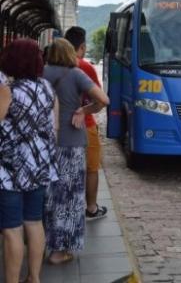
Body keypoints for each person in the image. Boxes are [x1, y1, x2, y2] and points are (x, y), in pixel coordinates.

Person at [43, 38, 109, 265]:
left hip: (45, 143)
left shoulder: (42, 73)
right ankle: (60, 251)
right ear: (71, 53)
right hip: (71, 143)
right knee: (69, 198)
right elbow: (103, 99)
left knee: (49, 196)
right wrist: (84, 109)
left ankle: (43, 242)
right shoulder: (76, 74)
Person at [0, 39, 59, 283]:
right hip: (39, 165)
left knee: (12, 229)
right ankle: (34, 278)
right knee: (34, 222)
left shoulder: (8, 90)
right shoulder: (46, 87)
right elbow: (53, 127)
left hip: (10, 170)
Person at [64, 26, 108, 220]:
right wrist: (85, 110)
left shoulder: (51, 65)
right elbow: (100, 101)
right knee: (91, 168)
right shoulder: (84, 66)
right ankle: (91, 208)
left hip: (60, 125)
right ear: (81, 46)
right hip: (86, 124)